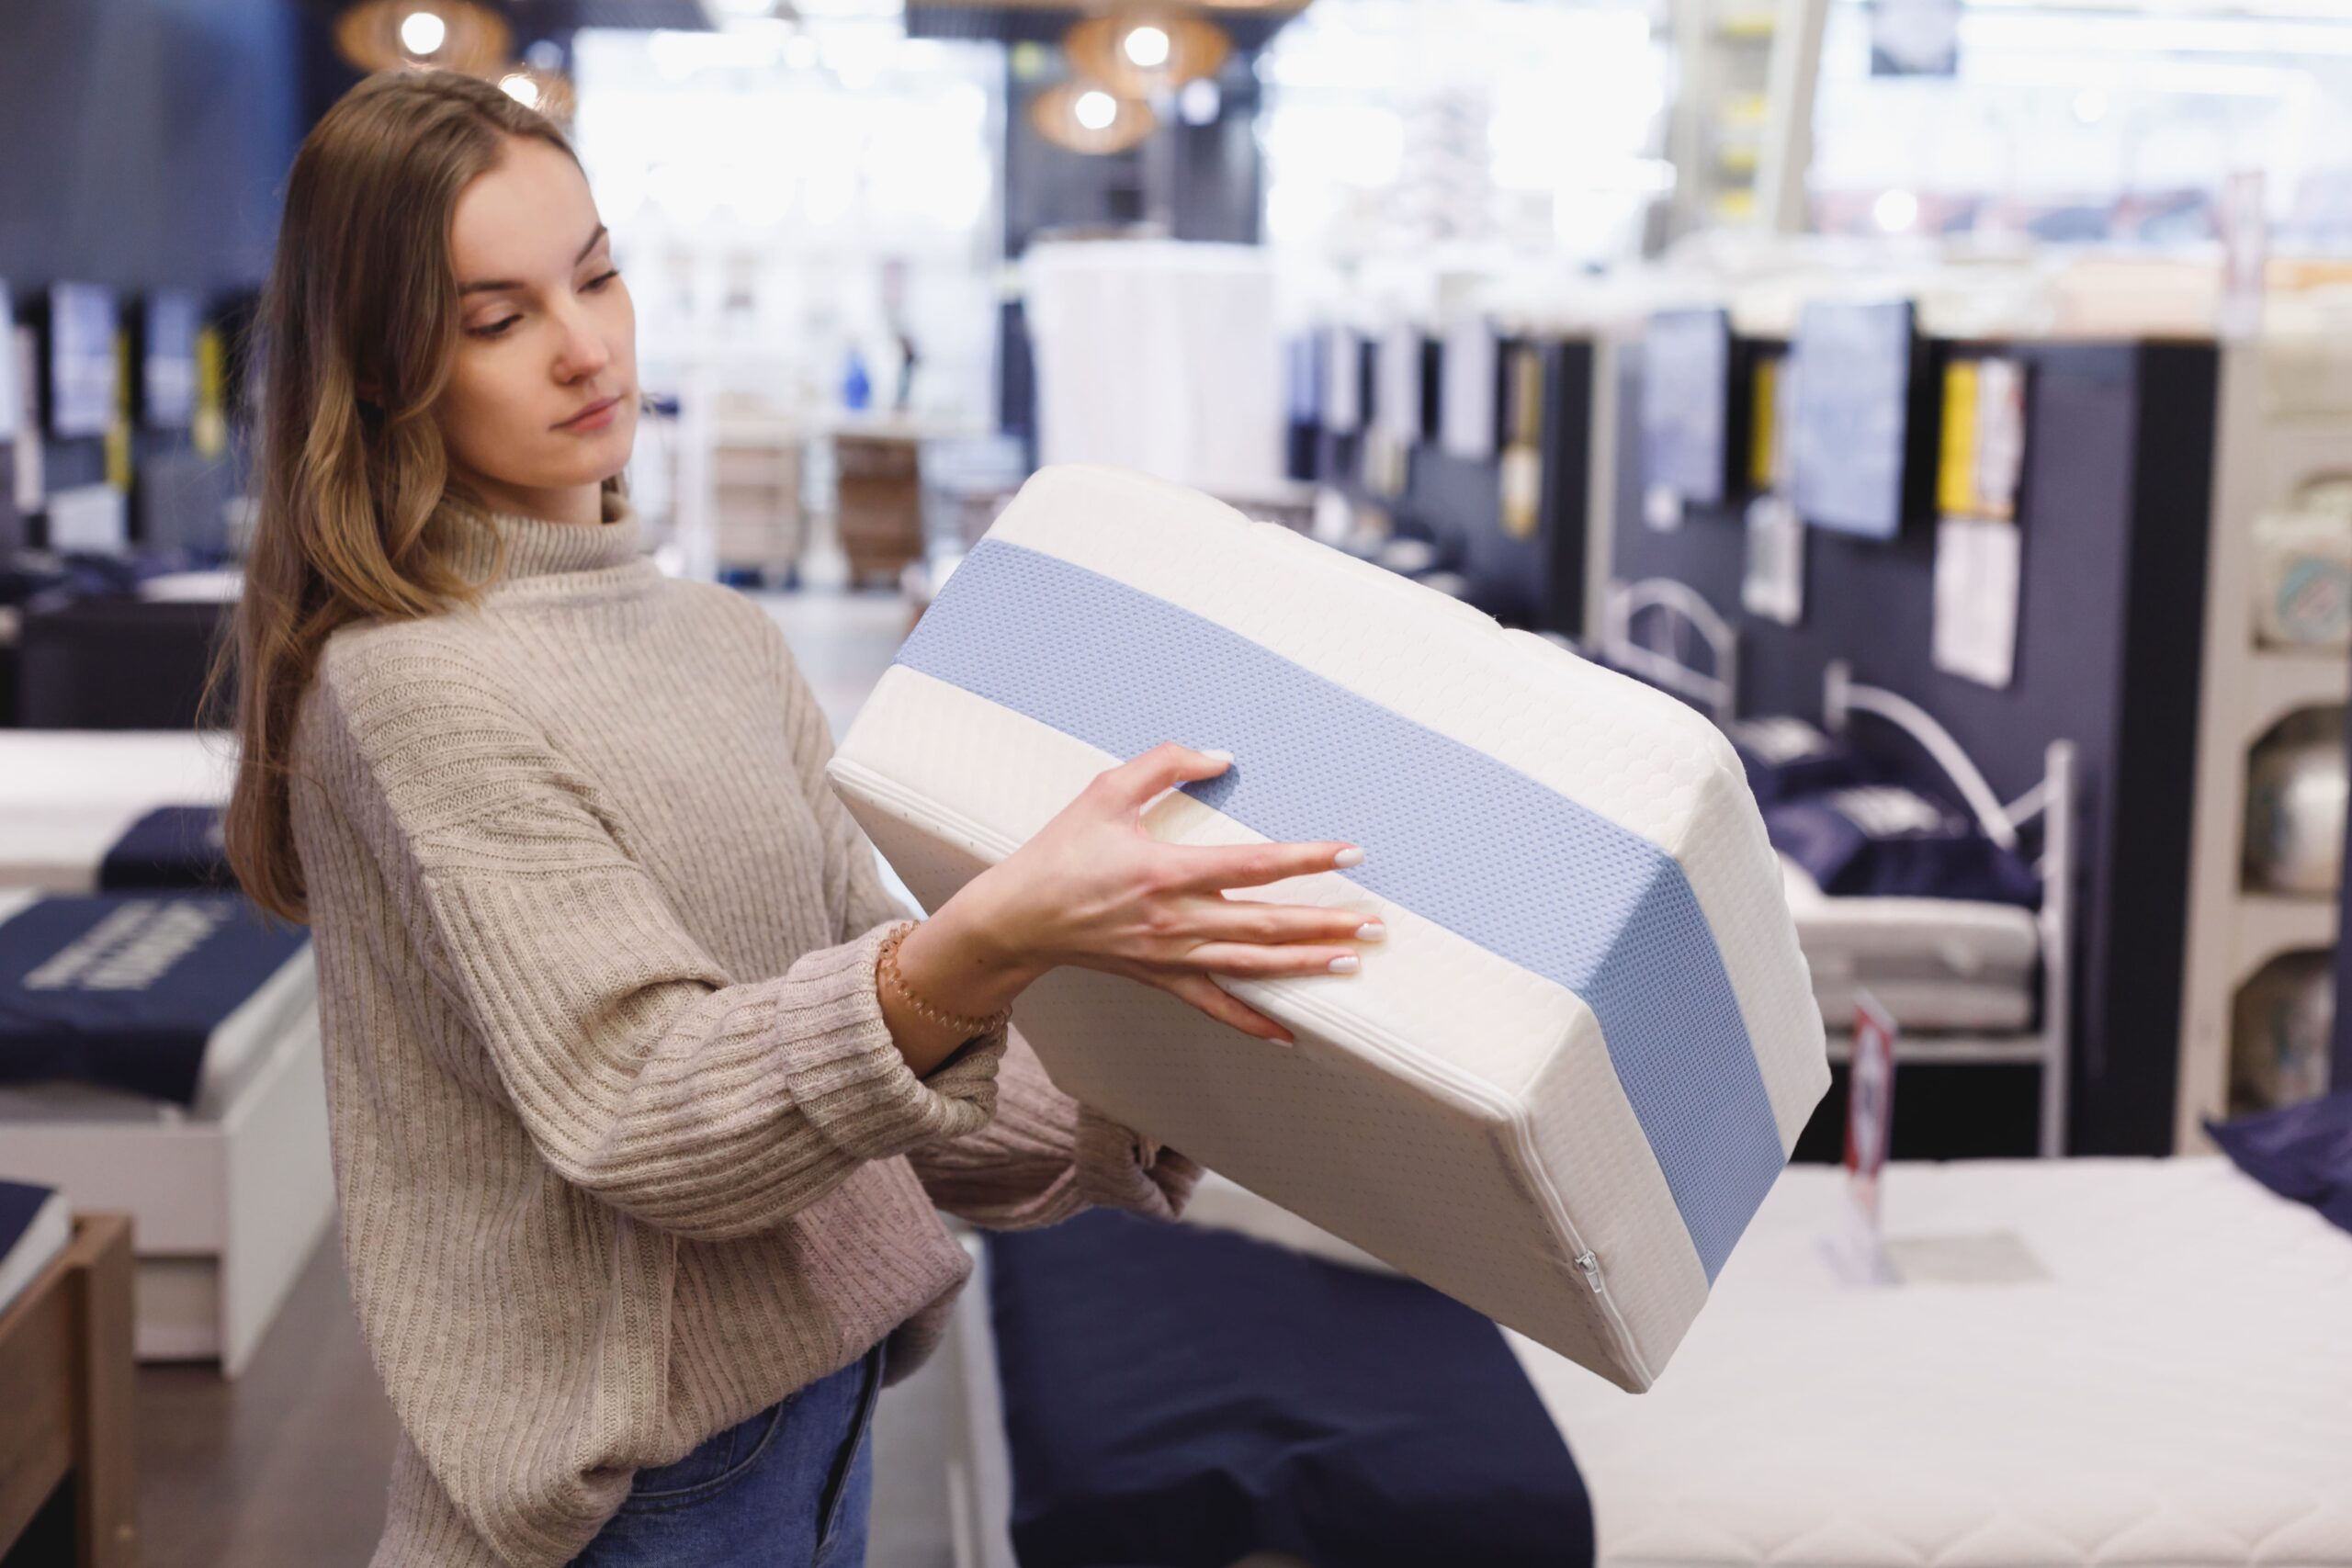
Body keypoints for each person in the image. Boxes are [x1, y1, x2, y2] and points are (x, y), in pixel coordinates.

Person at [211, 71, 1380, 1568]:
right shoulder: (409, 688)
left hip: (823, 1409)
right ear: (381, 367)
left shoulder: (716, 636)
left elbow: (877, 1063)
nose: (586, 348)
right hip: (643, 1494)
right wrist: (984, 944)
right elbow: (645, 1108)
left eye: (598, 274)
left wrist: (1156, 1082)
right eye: (497, 320)